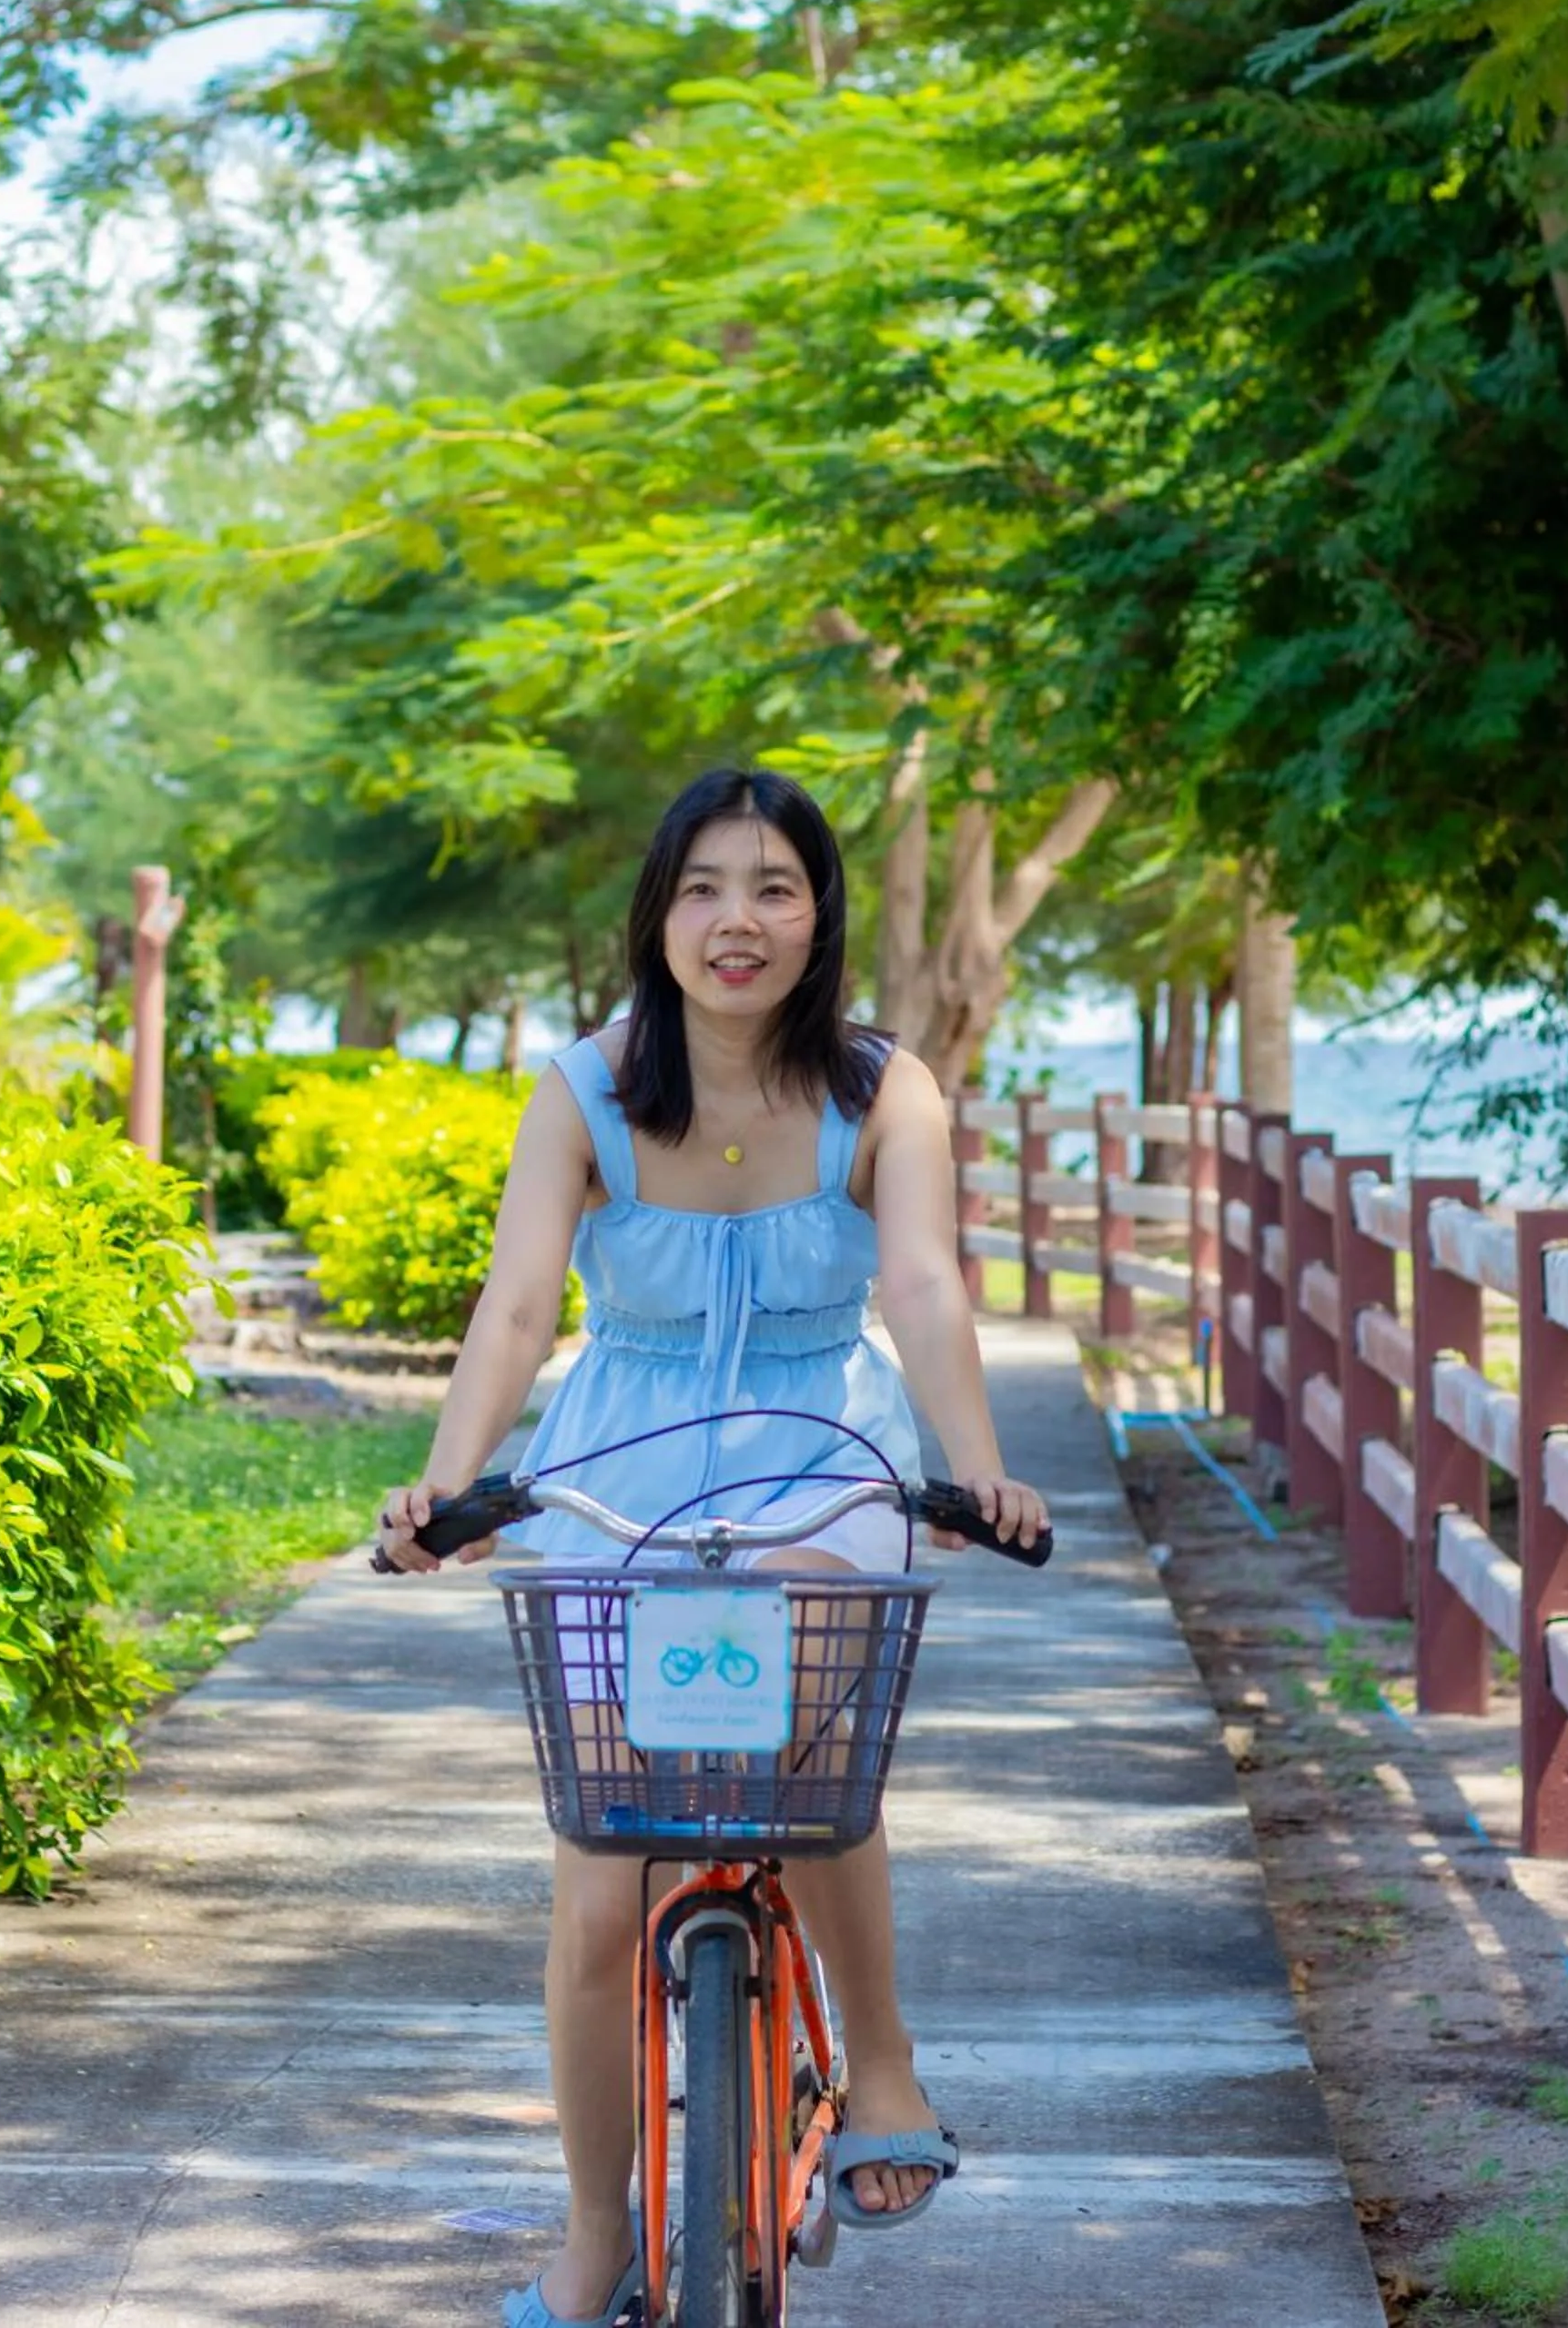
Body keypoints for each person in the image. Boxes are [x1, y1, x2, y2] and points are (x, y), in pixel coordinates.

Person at [378, 767, 1049, 2328]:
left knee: (809, 1761)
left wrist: (982, 1471)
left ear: (819, 917)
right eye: (702, 888)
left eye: (773, 888)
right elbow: (520, 1304)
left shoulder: (890, 1091)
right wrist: (443, 1487)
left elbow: (929, 1291)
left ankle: (879, 2065)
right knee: (604, 1885)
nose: (735, 921)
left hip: (826, 1454)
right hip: (621, 1466)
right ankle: (596, 2239)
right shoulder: (585, 1090)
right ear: (657, 915)